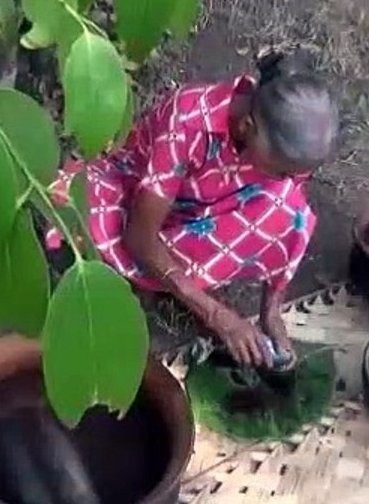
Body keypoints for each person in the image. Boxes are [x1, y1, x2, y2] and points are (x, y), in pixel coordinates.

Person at [45, 52, 340, 368]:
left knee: (292, 214)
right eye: (281, 171)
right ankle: (167, 279)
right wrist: (217, 316)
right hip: (135, 196)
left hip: (203, 213)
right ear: (246, 126)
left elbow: (288, 204)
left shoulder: (277, 144)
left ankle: (171, 276)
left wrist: (271, 313)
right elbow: (139, 238)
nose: (288, 180)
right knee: (76, 207)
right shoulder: (187, 121)